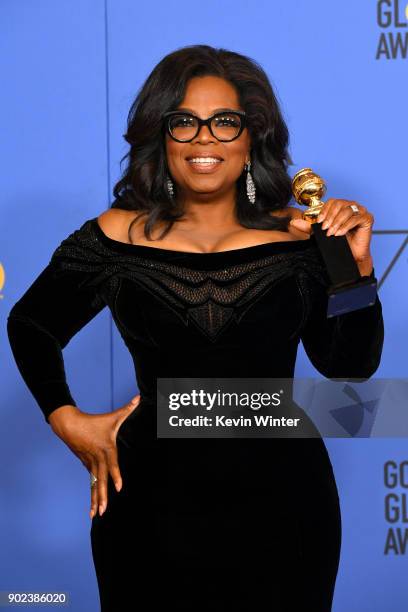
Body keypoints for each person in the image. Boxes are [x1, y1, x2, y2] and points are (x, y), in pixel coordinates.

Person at [7, 44, 384, 612]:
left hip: (286, 500)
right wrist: (67, 419)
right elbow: (32, 324)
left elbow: (349, 366)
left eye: (224, 122)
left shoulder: (305, 237)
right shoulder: (115, 237)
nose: (205, 139)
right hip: (147, 504)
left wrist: (355, 272)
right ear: (162, 135)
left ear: (252, 135)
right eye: (185, 122)